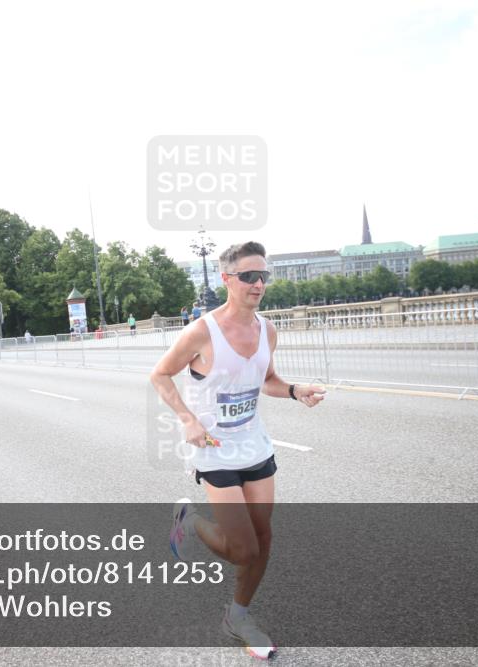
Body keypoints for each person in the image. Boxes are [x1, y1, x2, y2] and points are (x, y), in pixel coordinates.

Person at [150, 241, 325, 660]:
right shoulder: (201, 332)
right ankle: (189, 522)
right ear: (227, 280)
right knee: (243, 548)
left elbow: (268, 380)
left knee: (263, 540)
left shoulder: (268, 330)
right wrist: (187, 419)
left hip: (256, 447)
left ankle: (238, 616)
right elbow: (159, 375)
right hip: (215, 453)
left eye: (263, 275)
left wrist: (296, 390)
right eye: (249, 275)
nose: (258, 283)